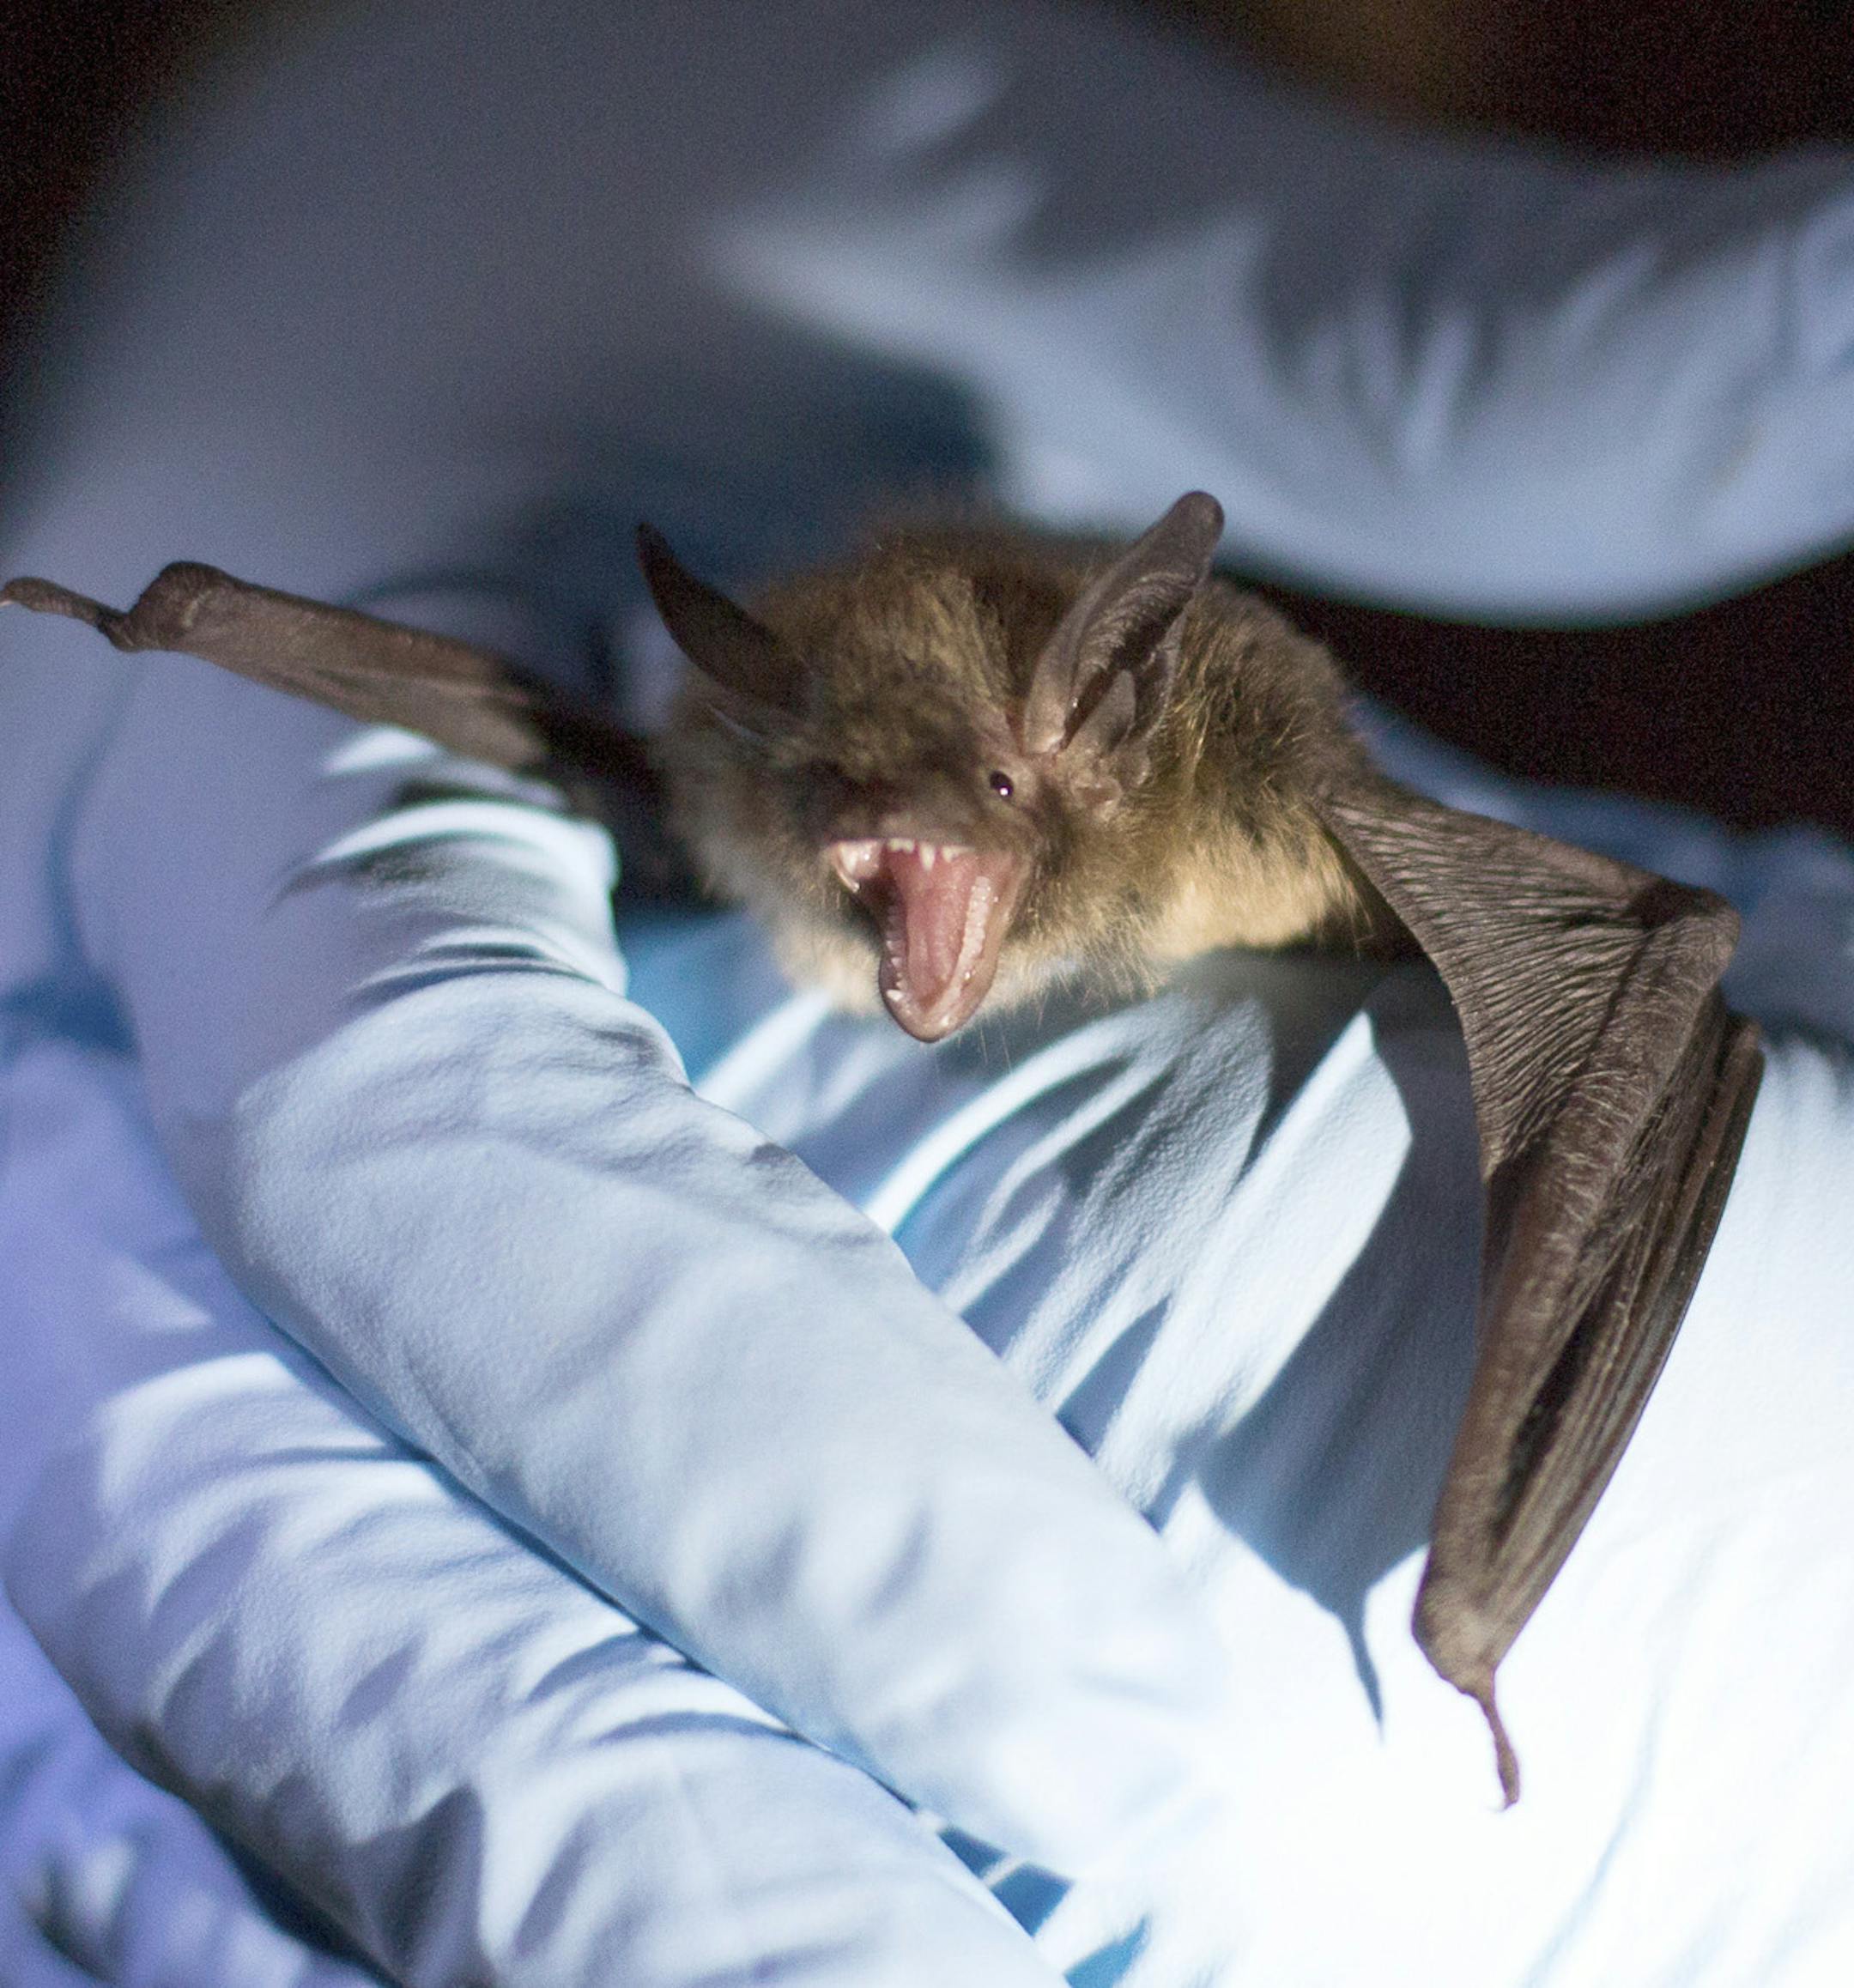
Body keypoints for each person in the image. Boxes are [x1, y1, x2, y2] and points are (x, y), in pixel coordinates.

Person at [3, 3, 1852, 1982]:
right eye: (842, 812)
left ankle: (1476, 1611)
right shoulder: (751, 744)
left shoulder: (1233, 791)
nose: (878, 845)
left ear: (1094, 733)